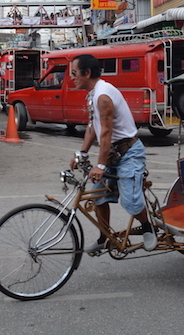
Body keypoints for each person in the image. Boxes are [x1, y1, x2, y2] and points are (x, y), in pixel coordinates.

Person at [69, 54, 157, 253]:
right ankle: (104, 238)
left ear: (87, 73)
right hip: (112, 154)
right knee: (98, 195)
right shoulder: (93, 94)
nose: (72, 77)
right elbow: (93, 126)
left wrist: (100, 166)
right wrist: (81, 153)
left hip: (129, 153)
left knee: (130, 201)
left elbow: (106, 132)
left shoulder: (102, 96)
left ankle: (147, 227)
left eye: (74, 73)